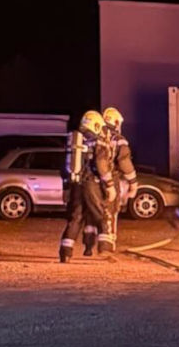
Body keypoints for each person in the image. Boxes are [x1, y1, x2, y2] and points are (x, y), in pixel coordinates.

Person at [59, 110, 106, 263]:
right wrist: (109, 184)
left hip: (75, 183)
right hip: (91, 182)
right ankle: (104, 248)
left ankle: (65, 252)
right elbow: (100, 164)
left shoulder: (74, 140)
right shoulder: (95, 140)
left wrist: (66, 187)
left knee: (76, 217)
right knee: (100, 214)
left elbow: (64, 167)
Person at [100, 106, 138, 250]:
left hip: (93, 179)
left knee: (95, 211)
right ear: (116, 122)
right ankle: (107, 243)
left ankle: (89, 244)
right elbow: (124, 161)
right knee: (111, 210)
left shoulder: (96, 136)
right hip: (111, 177)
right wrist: (133, 182)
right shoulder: (118, 139)